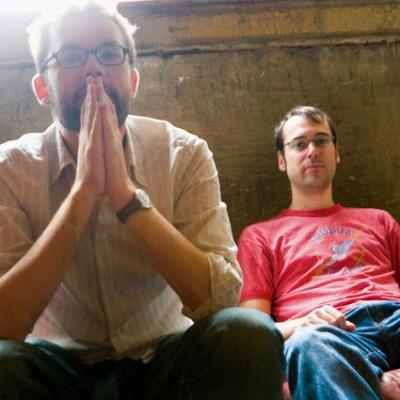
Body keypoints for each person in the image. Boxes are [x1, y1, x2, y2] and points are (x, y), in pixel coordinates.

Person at [0, 1, 284, 399]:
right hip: (62, 371)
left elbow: (221, 300)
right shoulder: (10, 168)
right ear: (42, 88)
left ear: (132, 80)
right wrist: (83, 193)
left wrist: (125, 195)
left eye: (109, 54)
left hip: (163, 360)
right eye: (71, 56)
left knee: (248, 333)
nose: (94, 68)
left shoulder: (183, 153)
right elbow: (5, 324)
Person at [238, 105, 400, 400]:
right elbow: (254, 332)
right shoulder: (259, 236)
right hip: (332, 336)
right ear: (281, 160)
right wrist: (305, 323)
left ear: (336, 153)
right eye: (299, 144)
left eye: (321, 140)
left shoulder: (379, 220)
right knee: (310, 344)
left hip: (395, 314)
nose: (312, 151)